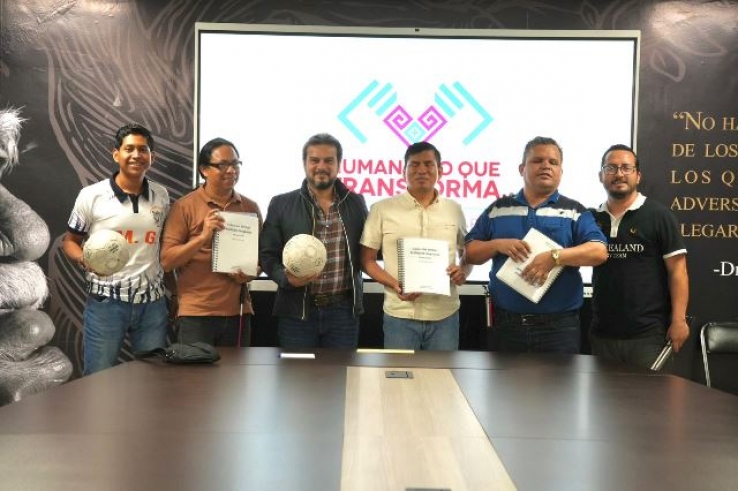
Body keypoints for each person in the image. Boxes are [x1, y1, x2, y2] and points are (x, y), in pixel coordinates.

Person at [465, 136, 608, 354]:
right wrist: (496, 245)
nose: (546, 166)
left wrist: (555, 257)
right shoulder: (498, 209)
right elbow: (470, 253)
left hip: (559, 329)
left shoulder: (574, 211)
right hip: (506, 326)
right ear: (521, 169)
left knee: (560, 380)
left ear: (561, 171)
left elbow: (599, 252)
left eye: (553, 162)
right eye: (537, 160)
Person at [62, 123, 169, 375]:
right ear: (116, 154)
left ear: (152, 157)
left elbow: (161, 245)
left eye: (143, 149)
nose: (136, 155)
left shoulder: (161, 195)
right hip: (106, 302)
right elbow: (70, 241)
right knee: (99, 379)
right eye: (129, 149)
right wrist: (84, 259)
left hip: (152, 303)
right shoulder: (91, 195)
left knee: (152, 380)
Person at [259, 133, 368, 349]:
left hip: (343, 314)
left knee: (339, 371)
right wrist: (286, 278)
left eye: (329, 160)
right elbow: (267, 254)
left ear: (338, 164)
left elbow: (369, 251)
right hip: (297, 312)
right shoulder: (281, 204)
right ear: (304, 163)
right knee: (296, 371)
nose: (321, 166)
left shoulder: (356, 202)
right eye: (315, 160)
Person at [360, 141, 471, 350]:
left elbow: (467, 254)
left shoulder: (454, 209)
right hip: (400, 315)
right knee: (400, 372)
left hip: (445, 315)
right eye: (414, 164)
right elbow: (367, 261)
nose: (421, 170)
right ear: (404, 171)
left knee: (442, 372)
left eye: (428, 164)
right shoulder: (381, 209)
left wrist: (462, 271)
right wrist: (395, 284)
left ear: (440, 171)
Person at [590, 144, 689, 369]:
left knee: (648, 394)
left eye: (626, 168)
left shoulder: (659, 216)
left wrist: (679, 320)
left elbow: (678, 271)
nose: (619, 174)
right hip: (602, 334)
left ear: (638, 175)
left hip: (647, 336)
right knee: (603, 394)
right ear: (601, 176)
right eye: (611, 168)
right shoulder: (592, 218)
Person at [160, 137, 262, 347]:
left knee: (237, 370)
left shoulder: (250, 207)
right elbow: (167, 261)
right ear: (204, 170)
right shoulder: (184, 207)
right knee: (195, 369)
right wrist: (202, 237)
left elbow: (261, 258)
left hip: (238, 311)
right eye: (222, 165)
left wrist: (253, 272)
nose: (231, 170)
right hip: (196, 313)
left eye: (235, 164)